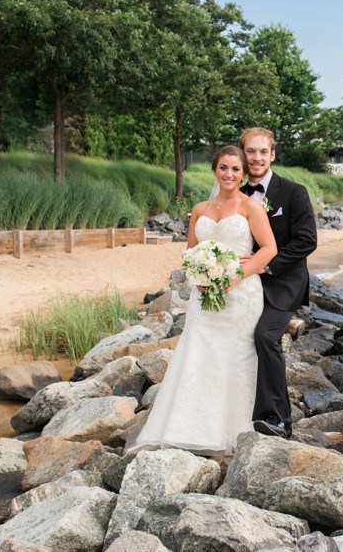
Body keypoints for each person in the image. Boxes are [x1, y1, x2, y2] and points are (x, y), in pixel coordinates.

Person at [129, 146, 277, 456]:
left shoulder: (251, 207)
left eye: (236, 169)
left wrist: (235, 275)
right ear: (214, 170)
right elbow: (191, 253)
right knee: (198, 352)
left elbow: (268, 249)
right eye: (223, 168)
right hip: (205, 294)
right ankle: (186, 426)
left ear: (243, 173)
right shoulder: (199, 209)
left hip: (241, 294)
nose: (229, 174)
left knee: (235, 356)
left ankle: (233, 431)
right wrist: (202, 279)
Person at [239, 127, 317, 438]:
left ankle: (277, 419)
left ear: (273, 155)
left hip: (283, 281)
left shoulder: (294, 192)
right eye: (250, 151)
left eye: (262, 152)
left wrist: (265, 266)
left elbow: (306, 241)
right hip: (244, 283)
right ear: (243, 155)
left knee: (263, 337)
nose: (256, 157)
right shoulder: (236, 195)